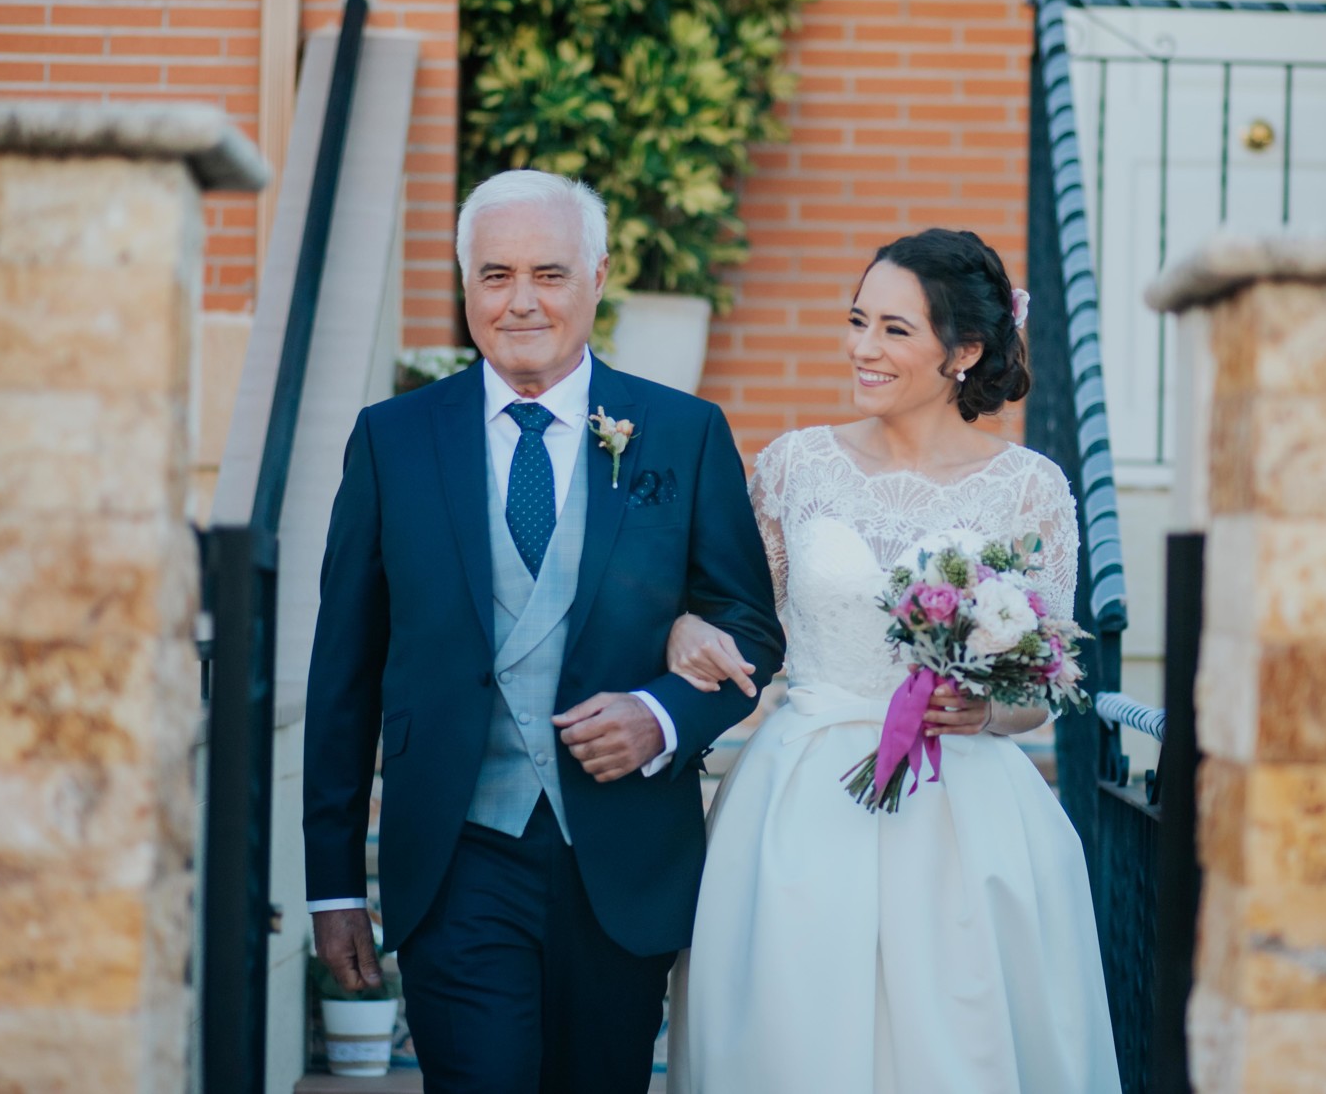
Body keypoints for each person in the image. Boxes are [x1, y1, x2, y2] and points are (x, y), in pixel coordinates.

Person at [302, 169, 784, 1094]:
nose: (521, 301)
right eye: (494, 274)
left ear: (598, 277)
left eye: (549, 273)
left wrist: (662, 714)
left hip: (622, 863)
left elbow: (750, 624)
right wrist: (332, 883)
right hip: (455, 857)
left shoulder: (682, 432)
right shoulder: (391, 439)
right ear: (465, 283)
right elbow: (343, 674)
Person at [665, 229, 1120, 1093]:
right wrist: (684, 627)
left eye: (894, 330)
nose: (862, 349)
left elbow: (1046, 683)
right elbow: (740, 619)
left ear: (966, 352)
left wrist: (987, 711)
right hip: (799, 799)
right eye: (857, 321)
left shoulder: (1030, 488)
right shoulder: (795, 466)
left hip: (962, 809)